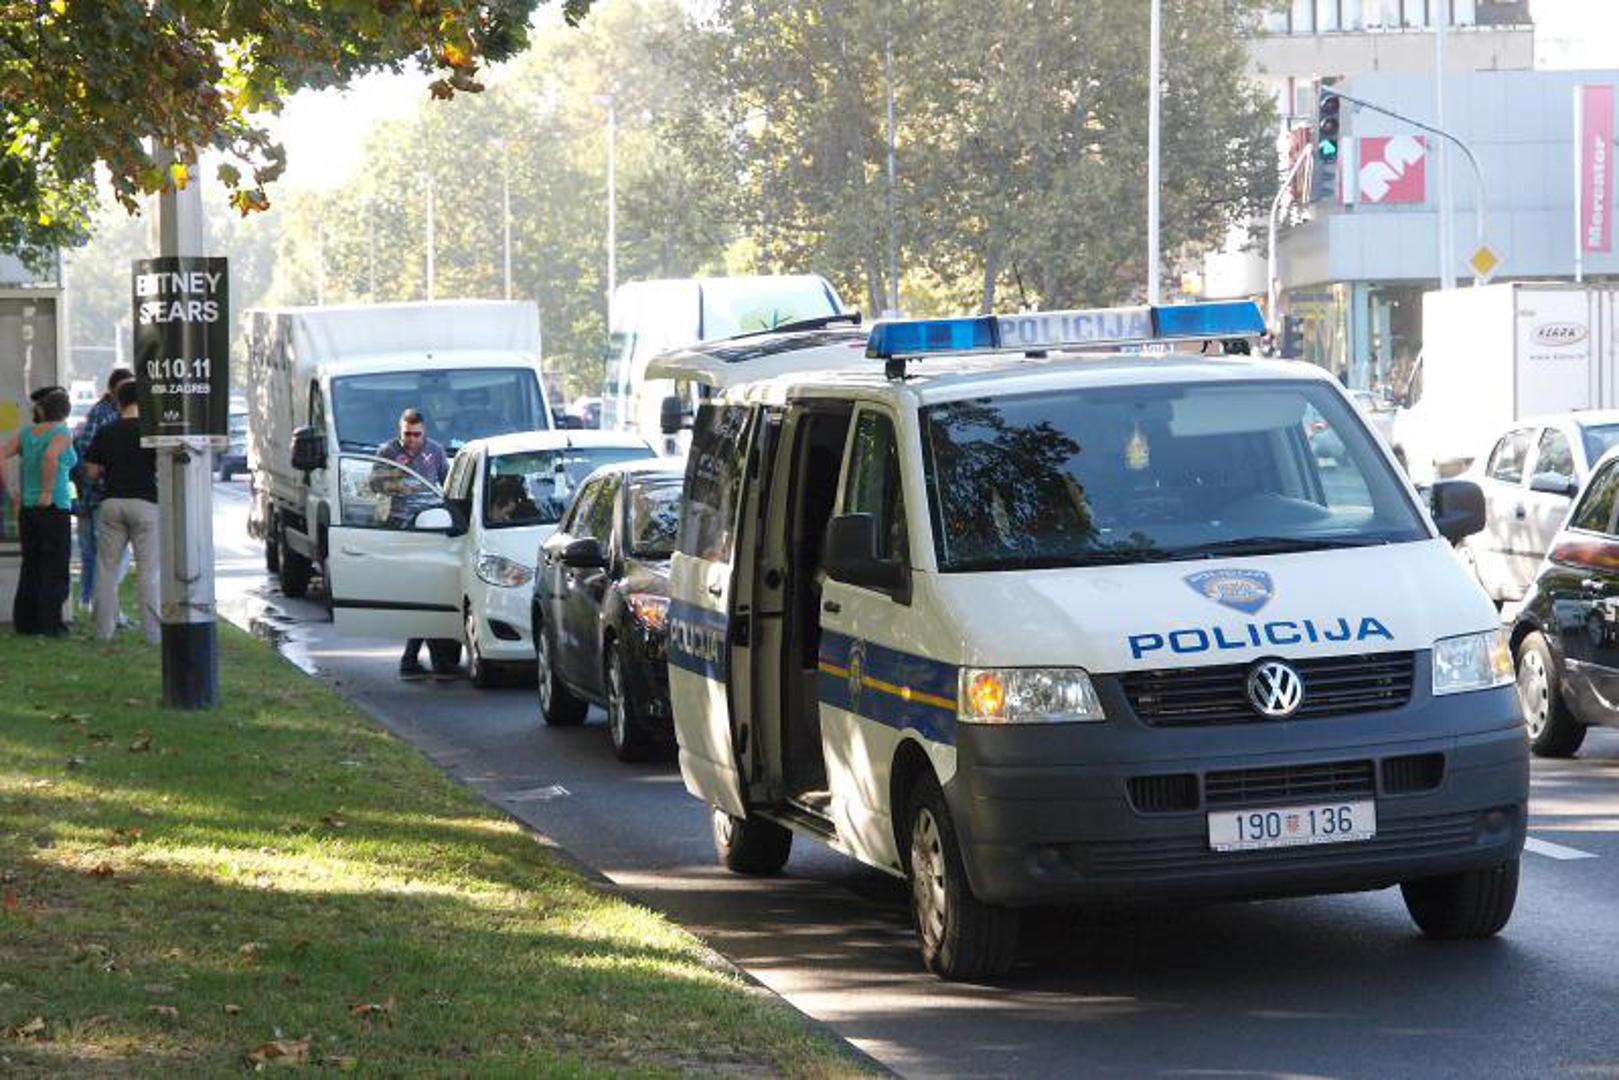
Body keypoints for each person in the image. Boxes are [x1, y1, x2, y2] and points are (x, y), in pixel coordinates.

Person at [83, 380, 159, 642]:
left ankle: (104, 630)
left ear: (118, 401)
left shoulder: (107, 431)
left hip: (112, 503)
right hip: (145, 503)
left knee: (106, 569)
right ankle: (153, 633)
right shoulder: (151, 432)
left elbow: (91, 472)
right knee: (149, 571)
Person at [375, 408, 448, 679]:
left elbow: (447, 484)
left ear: (424, 432)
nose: (411, 440)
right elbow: (374, 483)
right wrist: (398, 487)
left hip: (430, 527)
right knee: (423, 596)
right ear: (400, 430)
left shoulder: (436, 451)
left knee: (427, 595)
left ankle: (416, 658)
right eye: (407, 434)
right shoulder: (387, 451)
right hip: (401, 531)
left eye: (416, 434)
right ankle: (432, 661)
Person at [4, 387, 76, 635]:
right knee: (55, 565)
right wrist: (47, 491)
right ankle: (50, 623)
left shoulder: (26, 434)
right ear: (65, 412)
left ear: (42, 411)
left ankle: (26, 622)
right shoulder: (62, 432)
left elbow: (1, 453)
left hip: (28, 507)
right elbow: (50, 456)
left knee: (31, 564)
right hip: (54, 505)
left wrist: (11, 489)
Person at [72, 368, 134, 614]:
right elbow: (86, 452)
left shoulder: (109, 413)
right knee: (111, 557)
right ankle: (102, 606)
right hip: (98, 494)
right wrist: (102, 478)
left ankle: (90, 602)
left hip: (95, 495)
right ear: (112, 390)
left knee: (94, 555)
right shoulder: (103, 413)